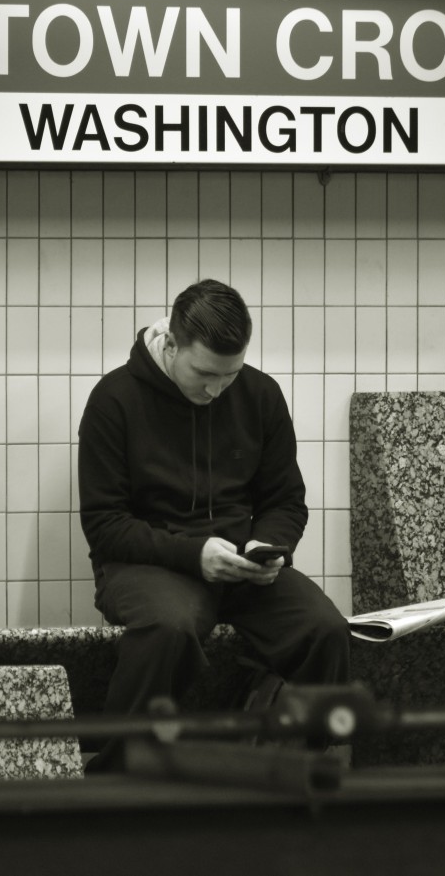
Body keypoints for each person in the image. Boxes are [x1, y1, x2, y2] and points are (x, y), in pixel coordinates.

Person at [78, 278, 351, 771]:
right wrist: (193, 555)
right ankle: (116, 777)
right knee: (169, 628)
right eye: (203, 373)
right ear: (170, 344)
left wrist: (272, 545)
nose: (216, 388)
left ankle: (291, 769)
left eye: (230, 375)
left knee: (326, 630)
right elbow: (106, 525)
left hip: (239, 561)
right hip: (147, 561)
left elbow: (286, 499)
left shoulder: (260, 395)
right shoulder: (114, 400)